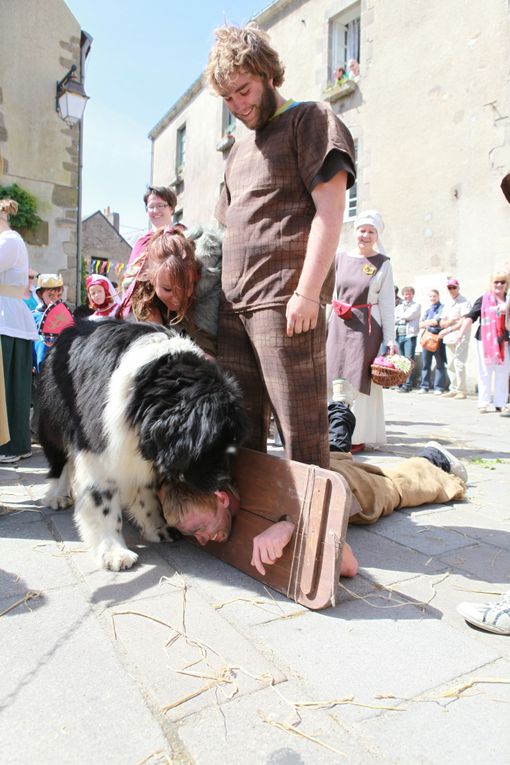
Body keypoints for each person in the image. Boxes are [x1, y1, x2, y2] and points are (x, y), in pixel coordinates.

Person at [206, 23, 356, 468]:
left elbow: (331, 213)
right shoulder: (238, 148)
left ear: (268, 73)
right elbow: (226, 226)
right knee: (240, 430)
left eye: (244, 90)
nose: (238, 105)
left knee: (301, 430)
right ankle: (257, 524)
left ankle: (313, 533)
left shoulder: (310, 118)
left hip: (286, 302)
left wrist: (308, 293)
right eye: (228, 99)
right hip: (233, 307)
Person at [161, 441, 467, 579]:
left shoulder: (252, 480)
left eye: (199, 528)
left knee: (395, 487)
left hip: (348, 489)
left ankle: (434, 458)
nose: (200, 540)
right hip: (320, 468)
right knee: (347, 460)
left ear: (221, 498)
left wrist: (291, 524)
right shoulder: (216, 495)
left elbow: (348, 566)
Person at [326, 210, 397, 452]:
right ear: (355, 232)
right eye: (362, 230)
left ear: (377, 236)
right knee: (332, 375)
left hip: (366, 327)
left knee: (358, 379)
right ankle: (332, 430)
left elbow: (387, 303)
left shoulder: (383, 263)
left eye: (371, 231)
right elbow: (329, 293)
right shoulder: (339, 258)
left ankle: (355, 435)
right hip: (338, 323)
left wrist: (390, 340)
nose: (365, 235)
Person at [127, 227, 219, 356]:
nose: (177, 298)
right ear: (151, 279)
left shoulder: (208, 298)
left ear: (196, 276)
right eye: (167, 289)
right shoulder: (144, 304)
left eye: (186, 287)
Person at [0, 199, 38, 463]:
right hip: (8, 316)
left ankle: (11, 445)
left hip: (7, 317)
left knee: (10, 386)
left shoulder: (9, 240)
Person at [117, 186, 177, 319]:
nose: (155, 211)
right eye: (151, 207)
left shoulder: (183, 236)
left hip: (175, 305)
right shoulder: (141, 242)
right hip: (144, 306)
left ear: (171, 208)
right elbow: (130, 277)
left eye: (161, 205)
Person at [456, 269, 509, 413]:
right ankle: (483, 402)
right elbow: (471, 316)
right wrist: (460, 333)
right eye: (496, 282)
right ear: (491, 284)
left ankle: (500, 403)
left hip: (504, 340)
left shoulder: (508, 299)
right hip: (485, 341)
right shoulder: (484, 299)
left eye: (502, 282)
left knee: (503, 372)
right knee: (485, 371)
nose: (499, 285)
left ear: (506, 284)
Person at [439, 278, 472, 399]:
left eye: (454, 287)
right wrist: (450, 321)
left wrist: (448, 327)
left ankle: (461, 390)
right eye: (449, 288)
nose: (452, 290)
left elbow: (463, 321)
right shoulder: (447, 303)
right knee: (451, 363)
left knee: (459, 363)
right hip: (449, 337)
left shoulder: (464, 302)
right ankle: (453, 388)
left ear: (458, 288)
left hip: (461, 336)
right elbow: (442, 322)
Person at [418, 289, 447, 395]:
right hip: (427, 338)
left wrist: (430, 322)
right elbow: (420, 324)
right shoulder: (428, 310)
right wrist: (430, 322)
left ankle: (438, 388)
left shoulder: (443, 308)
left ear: (438, 296)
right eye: (431, 296)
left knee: (440, 364)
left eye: (434, 296)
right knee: (426, 364)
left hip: (438, 338)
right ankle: (424, 386)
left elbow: (438, 321)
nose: (432, 298)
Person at [394, 286, 421, 392]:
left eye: (409, 294)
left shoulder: (416, 305)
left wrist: (401, 317)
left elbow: (409, 315)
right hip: (399, 335)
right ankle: (400, 383)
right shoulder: (399, 307)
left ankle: (408, 384)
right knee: (400, 360)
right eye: (405, 294)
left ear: (412, 295)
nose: (407, 296)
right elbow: (394, 317)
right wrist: (401, 317)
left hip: (409, 336)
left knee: (408, 360)